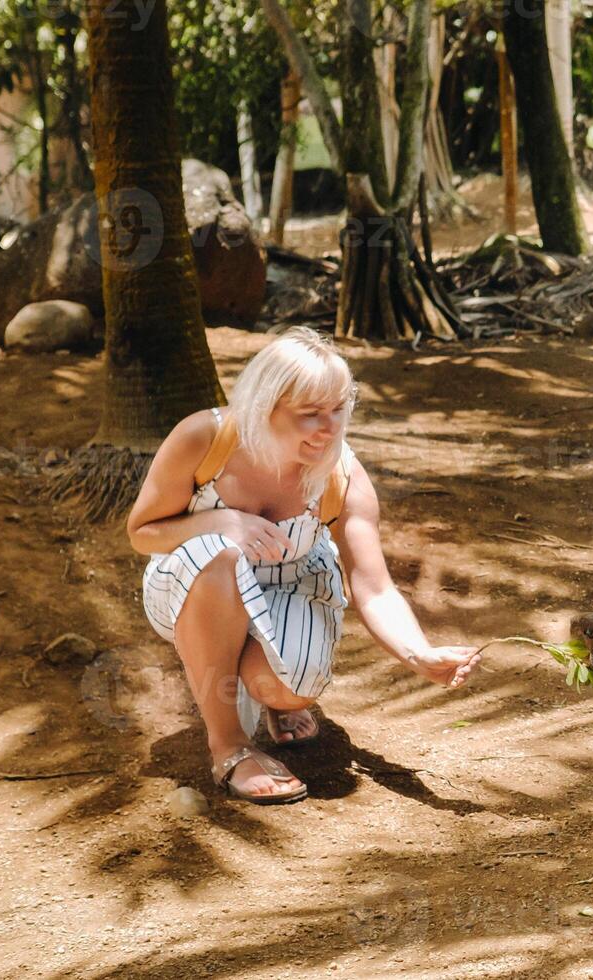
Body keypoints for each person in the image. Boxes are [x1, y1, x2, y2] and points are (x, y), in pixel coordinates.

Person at [127, 328, 481, 805]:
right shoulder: (204, 438)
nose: (328, 427)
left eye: (338, 409)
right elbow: (142, 532)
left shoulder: (343, 474)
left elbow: (372, 587)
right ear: (262, 407)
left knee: (289, 688)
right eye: (309, 415)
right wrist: (223, 519)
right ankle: (229, 745)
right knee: (219, 554)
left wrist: (417, 655)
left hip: (289, 586)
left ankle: (269, 695)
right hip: (191, 582)